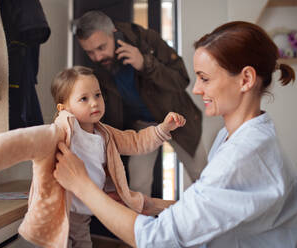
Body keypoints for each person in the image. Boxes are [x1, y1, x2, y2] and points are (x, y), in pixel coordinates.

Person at [53, 22, 297, 247]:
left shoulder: (242, 156)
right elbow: (210, 204)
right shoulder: (238, 136)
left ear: (246, 79)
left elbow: (157, 239)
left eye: (205, 78)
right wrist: (151, 205)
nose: (196, 90)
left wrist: (83, 187)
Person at [0, 66, 186, 248]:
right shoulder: (57, 134)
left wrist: (163, 129)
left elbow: (137, 141)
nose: (95, 102)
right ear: (64, 108)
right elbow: (15, 143)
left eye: (98, 94)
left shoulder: (106, 134)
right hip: (55, 216)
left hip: (84, 217)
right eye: (84, 99)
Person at [73, 10, 205, 196]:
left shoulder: (146, 39)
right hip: (141, 127)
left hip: (178, 119)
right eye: (90, 52)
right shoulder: (95, 65)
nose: (97, 57)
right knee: (137, 187)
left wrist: (145, 63)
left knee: (202, 177)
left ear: (114, 32)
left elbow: (181, 79)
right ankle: (144, 226)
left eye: (101, 48)